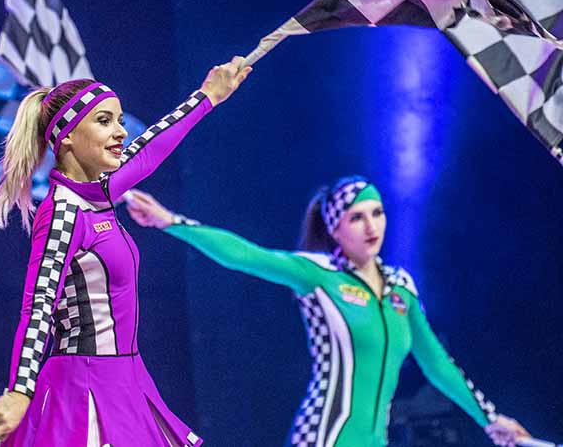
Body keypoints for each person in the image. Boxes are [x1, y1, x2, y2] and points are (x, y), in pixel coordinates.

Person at [125, 177, 531, 447]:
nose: (371, 225)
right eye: (356, 217)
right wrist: (169, 221)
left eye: (377, 212)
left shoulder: (401, 287)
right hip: (323, 436)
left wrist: (491, 418)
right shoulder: (318, 275)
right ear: (336, 229)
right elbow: (244, 256)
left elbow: (438, 364)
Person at [0, 57, 252, 446]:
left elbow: (150, 146)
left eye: (120, 120)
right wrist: (20, 391)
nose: (121, 132)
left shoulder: (100, 194)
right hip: (83, 387)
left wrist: (209, 95)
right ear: (68, 137)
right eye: (105, 121)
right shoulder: (63, 212)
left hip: (126, 380)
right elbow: (39, 304)